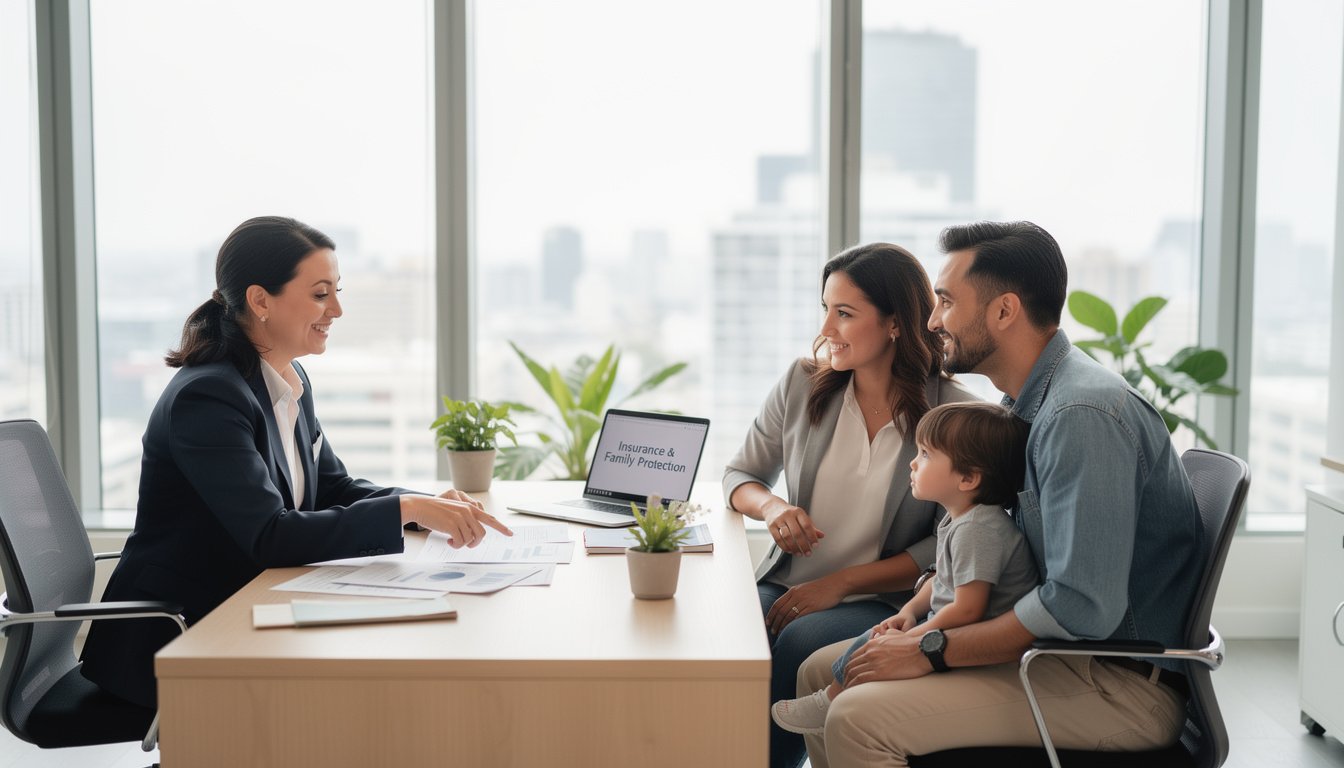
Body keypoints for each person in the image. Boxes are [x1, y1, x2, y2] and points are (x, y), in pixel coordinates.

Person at [796, 221, 1203, 768]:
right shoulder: (1025, 405)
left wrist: (930, 648)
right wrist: (921, 614)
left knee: (856, 717)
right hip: (1058, 657)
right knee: (823, 671)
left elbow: (1082, 605)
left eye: (945, 302)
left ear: (1004, 311)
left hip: (1113, 683)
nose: (933, 320)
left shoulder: (1078, 415)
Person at [79, 216, 511, 709]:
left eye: (337, 292)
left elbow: (332, 488)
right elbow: (270, 535)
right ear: (261, 300)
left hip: (244, 606)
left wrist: (420, 507)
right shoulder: (209, 395)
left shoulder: (285, 376)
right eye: (321, 294)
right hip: (184, 635)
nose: (338, 310)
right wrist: (403, 509)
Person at [723, 242, 977, 768]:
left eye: (844, 314)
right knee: (732, 629)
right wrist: (772, 508)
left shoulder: (955, 413)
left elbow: (948, 539)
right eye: (825, 310)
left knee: (797, 642)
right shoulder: (801, 385)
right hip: (793, 578)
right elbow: (739, 474)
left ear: (895, 324)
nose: (826, 330)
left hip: (884, 598)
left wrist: (839, 583)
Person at [770, 401, 1037, 735]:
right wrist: (909, 612)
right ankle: (830, 701)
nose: (912, 462)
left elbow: (969, 610)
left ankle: (831, 701)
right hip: (947, 628)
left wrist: (913, 639)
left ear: (968, 478)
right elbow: (940, 580)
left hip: (979, 652)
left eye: (925, 454)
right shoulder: (960, 520)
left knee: (878, 645)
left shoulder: (979, 530)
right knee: (879, 634)